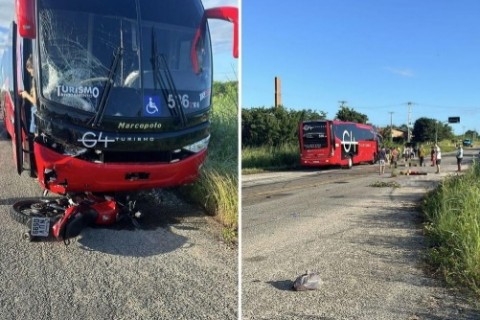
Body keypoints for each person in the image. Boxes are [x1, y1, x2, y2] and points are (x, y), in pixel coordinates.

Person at [20, 54, 37, 134]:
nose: (31, 74)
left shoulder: (35, 80)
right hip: (37, 114)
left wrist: (26, 95)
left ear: (34, 67)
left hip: (36, 114)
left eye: (31, 71)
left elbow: (35, 101)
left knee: (36, 138)